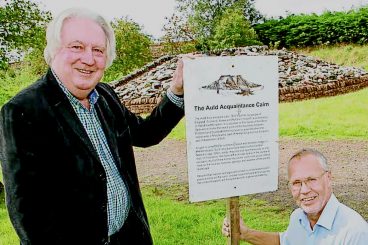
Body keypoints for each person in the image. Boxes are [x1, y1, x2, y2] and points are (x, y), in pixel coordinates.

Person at [0, 8, 185, 245]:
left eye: (98, 50)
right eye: (77, 47)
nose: (88, 59)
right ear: (54, 50)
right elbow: (26, 212)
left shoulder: (106, 96)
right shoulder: (23, 110)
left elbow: (147, 133)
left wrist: (176, 91)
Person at [222, 148, 368, 245]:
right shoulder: (298, 217)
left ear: (328, 178)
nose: (304, 190)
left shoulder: (354, 233)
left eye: (311, 179)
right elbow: (284, 241)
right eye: (297, 182)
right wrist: (245, 233)